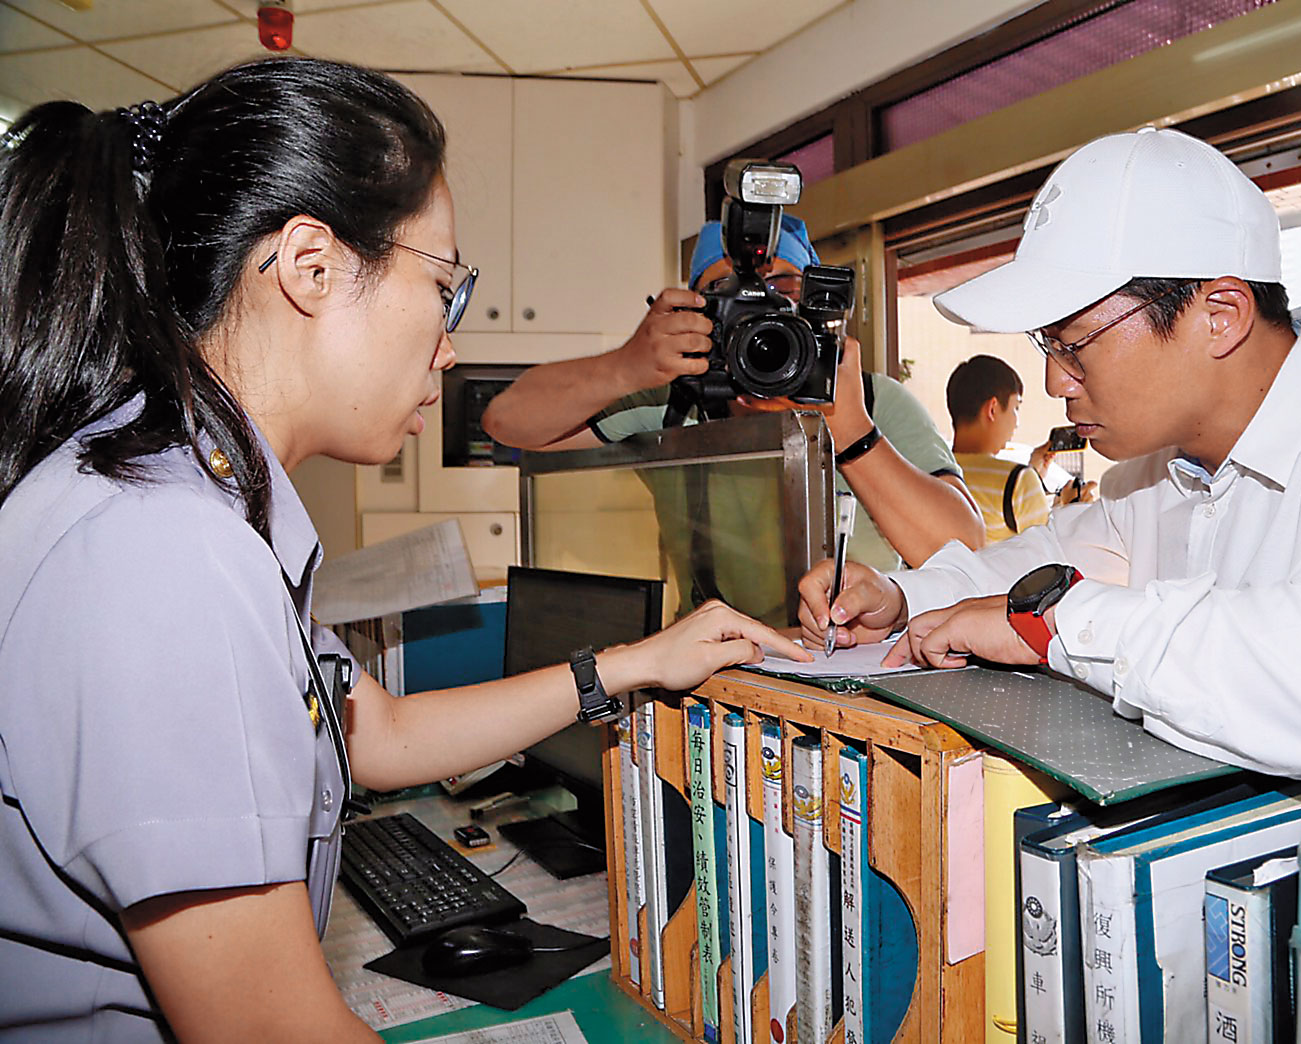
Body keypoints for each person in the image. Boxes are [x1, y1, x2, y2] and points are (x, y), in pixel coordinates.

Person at [0, 58, 808, 1041]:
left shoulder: (189, 505)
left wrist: (634, 666)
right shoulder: (163, 552)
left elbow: (372, 733)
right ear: (311, 267)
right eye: (443, 289)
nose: (450, 345)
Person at [798, 127, 1301, 787]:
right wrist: (905, 600)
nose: (1057, 381)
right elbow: (1029, 570)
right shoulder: (1153, 478)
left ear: (1218, 315)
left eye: (1074, 344)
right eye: (1046, 347)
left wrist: (1058, 626)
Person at [482, 216, 982, 614]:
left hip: (852, 664)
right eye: (730, 300)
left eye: (781, 291)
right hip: (710, 673)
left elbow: (962, 550)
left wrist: (849, 428)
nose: (761, 317)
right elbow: (507, 422)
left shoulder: (872, 401)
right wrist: (625, 367)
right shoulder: (670, 403)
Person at [946, 353, 1072, 543]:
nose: (1017, 422)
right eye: (1016, 407)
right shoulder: (1017, 482)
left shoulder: (929, 474)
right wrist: (1069, 508)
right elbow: (1047, 555)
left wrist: (1033, 476)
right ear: (993, 409)